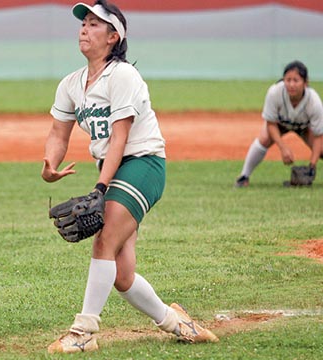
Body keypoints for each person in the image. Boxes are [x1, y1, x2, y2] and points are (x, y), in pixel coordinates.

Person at [41, 0, 218, 354]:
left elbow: (120, 137)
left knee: (103, 239)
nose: (84, 29)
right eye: (83, 23)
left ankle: (84, 332)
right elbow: (59, 133)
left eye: (94, 24)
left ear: (113, 36)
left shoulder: (122, 75)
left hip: (143, 164)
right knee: (122, 276)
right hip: (115, 170)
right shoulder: (72, 84)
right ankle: (176, 322)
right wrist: (50, 163)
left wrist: (100, 188)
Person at [235, 60, 323, 187]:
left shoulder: (313, 101)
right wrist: (283, 148)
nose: (291, 84)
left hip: (304, 127)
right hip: (279, 124)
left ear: (305, 82)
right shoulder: (275, 92)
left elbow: (318, 135)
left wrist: (312, 167)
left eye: (296, 80)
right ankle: (244, 176)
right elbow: (270, 123)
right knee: (264, 138)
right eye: (288, 80)